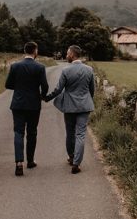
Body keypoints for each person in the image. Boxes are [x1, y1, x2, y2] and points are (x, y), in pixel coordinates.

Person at [43, 45, 95, 174]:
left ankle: (72, 157)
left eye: (67, 53)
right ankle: (76, 163)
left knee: (70, 133)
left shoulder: (66, 71)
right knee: (81, 135)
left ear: (72, 54)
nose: (66, 55)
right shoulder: (89, 69)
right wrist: (87, 101)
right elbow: (92, 89)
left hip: (69, 106)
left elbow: (59, 89)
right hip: (84, 106)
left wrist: (47, 97)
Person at [5, 41, 48, 176]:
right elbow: (45, 86)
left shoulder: (15, 66)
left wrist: (19, 89)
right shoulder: (40, 67)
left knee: (18, 132)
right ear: (35, 51)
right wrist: (42, 95)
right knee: (32, 132)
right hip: (34, 104)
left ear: (25, 51)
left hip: (18, 103)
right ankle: (30, 161)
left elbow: (8, 85)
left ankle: (19, 163)